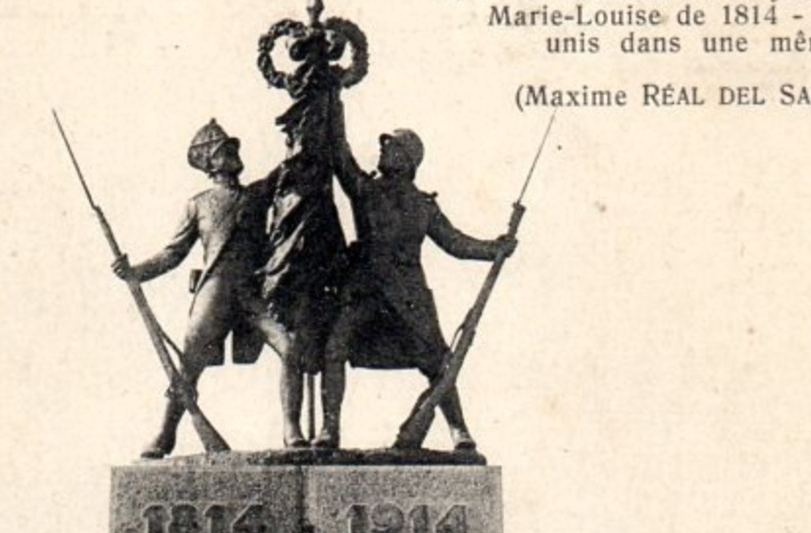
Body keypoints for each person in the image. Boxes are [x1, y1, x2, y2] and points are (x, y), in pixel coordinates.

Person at [319, 94, 516, 450]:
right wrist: (333, 100)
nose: (383, 150)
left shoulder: (423, 205)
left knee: (438, 361)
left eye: (391, 147)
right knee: (334, 349)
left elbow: (455, 243)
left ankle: (459, 430)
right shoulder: (365, 189)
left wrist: (494, 248)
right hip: (364, 288)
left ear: (407, 160)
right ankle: (329, 429)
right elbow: (339, 152)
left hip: (408, 294)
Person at [112, 120, 307, 458]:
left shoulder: (256, 194)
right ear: (211, 163)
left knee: (290, 348)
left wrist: (297, 137)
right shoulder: (198, 204)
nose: (234, 153)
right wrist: (135, 272)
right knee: (188, 365)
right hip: (214, 291)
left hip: (251, 293)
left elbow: (288, 168)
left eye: (233, 149)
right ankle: (165, 433)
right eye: (226, 151)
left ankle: (292, 429)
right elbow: (172, 253)